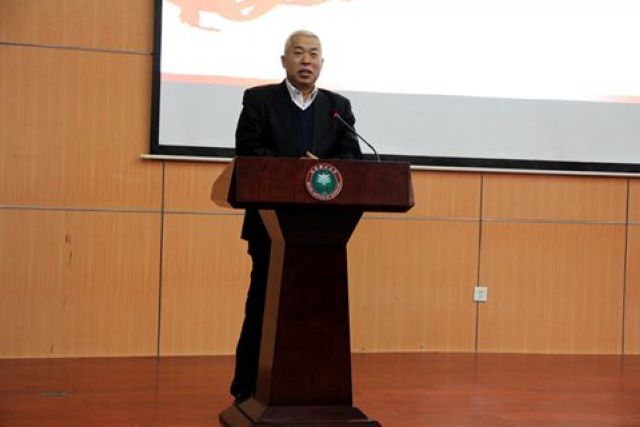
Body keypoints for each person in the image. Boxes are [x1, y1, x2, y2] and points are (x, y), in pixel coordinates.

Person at [231, 29, 362, 402]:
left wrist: (323, 167)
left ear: (322, 62)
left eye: (314, 54)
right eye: (299, 53)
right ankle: (247, 390)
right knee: (262, 305)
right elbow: (248, 151)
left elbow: (352, 157)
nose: (307, 60)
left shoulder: (338, 107)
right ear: (284, 60)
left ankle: (316, 390)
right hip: (271, 224)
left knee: (318, 312)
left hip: (323, 231)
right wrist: (296, 170)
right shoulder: (259, 100)